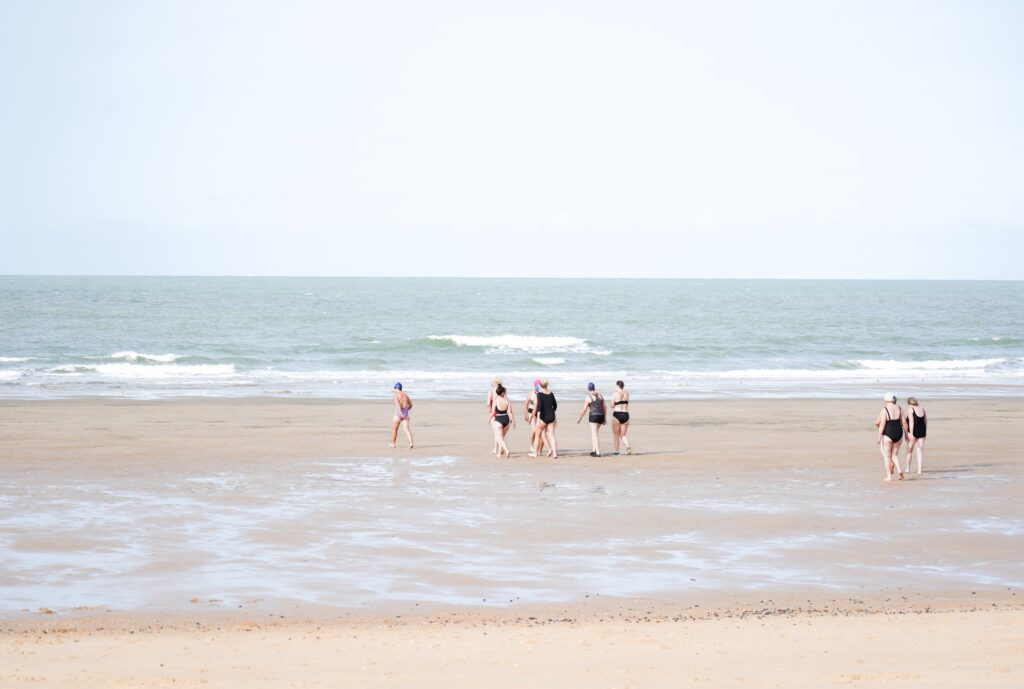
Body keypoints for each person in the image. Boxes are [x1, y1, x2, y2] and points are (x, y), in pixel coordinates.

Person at [874, 392, 903, 481]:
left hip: (888, 433)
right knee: (895, 455)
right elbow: (904, 422)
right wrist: (906, 434)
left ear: (886, 400)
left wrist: (879, 437)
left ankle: (889, 476)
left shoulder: (884, 409)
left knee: (887, 456)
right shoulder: (899, 408)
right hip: (899, 432)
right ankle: (899, 470)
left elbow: (880, 424)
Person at [530, 380, 558, 458]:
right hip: (552, 416)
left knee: (537, 435)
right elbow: (555, 406)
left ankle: (535, 453)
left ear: (540, 386)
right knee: (552, 435)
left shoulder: (539, 394)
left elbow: (539, 407)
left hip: (543, 417)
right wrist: (552, 411)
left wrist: (538, 418)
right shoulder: (551, 394)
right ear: (547, 385)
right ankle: (555, 453)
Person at [577, 382, 606, 457]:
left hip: (594, 416)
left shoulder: (588, 397)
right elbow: (604, 407)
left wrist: (580, 418)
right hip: (601, 416)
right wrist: (605, 418)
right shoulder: (600, 395)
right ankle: (594, 450)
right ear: (594, 387)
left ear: (588, 388)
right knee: (594, 433)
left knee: (595, 434)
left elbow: (584, 409)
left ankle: (598, 452)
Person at [489, 384, 515, 458]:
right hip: (506, 420)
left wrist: (488, 419)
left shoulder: (496, 401)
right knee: (501, 438)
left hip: (498, 420)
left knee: (500, 438)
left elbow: (493, 412)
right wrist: (512, 421)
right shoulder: (507, 402)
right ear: (503, 393)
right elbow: (509, 412)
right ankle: (499, 453)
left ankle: (506, 450)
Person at [904, 396, 927, 475]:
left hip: (913, 431)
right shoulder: (922, 408)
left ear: (909, 403)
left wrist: (911, 433)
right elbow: (925, 421)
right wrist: (925, 431)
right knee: (919, 451)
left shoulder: (910, 409)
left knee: (909, 451)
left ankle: (907, 469)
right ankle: (919, 471)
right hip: (922, 431)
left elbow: (911, 421)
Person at [610, 380, 632, 455]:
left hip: (617, 414)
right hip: (626, 415)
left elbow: (612, 405)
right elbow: (626, 400)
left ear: (617, 386)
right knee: (622, 434)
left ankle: (617, 452)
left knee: (616, 434)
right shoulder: (626, 394)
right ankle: (628, 445)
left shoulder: (615, 394)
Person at [524, 378, 545, 454]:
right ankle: (531, 446)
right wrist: (526, 414)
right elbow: (526, 404)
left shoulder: (543, 392)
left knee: (542, 432)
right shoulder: (531, 393)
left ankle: (540, 450)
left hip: (540, 412)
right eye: (538, 385)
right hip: (531, 412)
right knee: (534, 430)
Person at [390, 382, 414, 449]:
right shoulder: (405, 395)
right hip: (405, 413)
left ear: (396, 388)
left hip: (398, 414)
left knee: (395, 429)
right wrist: (405, 411)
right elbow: (411, 405)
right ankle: (411, 443)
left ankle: (393, 443)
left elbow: (398, 406)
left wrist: (400, 413)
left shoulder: (396, 395)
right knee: (407, 429)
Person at [487, 378, 502, 454]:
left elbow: (488, 403)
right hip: (502, 412)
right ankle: (497, 448)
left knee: (496, 432)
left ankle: (497, 448)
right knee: (499, 432)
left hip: (493, 412)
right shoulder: (501, 391)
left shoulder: (491, 391)